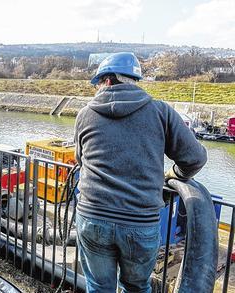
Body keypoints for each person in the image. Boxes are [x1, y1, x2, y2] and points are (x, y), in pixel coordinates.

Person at [74, 52, 207, 293]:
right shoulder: (160, 112)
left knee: (98, 287)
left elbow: (81, 160)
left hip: (93, 216)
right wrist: (175, 173)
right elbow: (195, 158)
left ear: (106, 81)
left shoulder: (85, 114)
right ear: (134, 80)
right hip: (139, 221)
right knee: (135, 287)